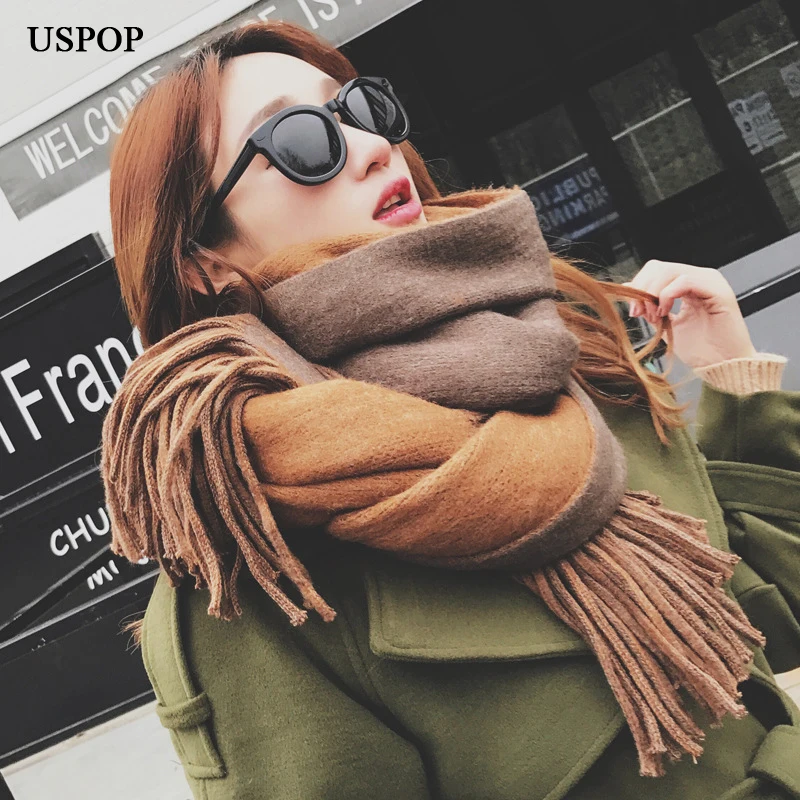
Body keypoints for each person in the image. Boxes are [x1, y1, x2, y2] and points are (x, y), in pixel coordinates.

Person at [101, 19, 800, 800]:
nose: (373, 148)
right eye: (300, 141)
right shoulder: (257, 579)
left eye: (360, 108)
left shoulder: (566, 355)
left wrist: (733, 377)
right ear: (203, 260)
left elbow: (769, 620)